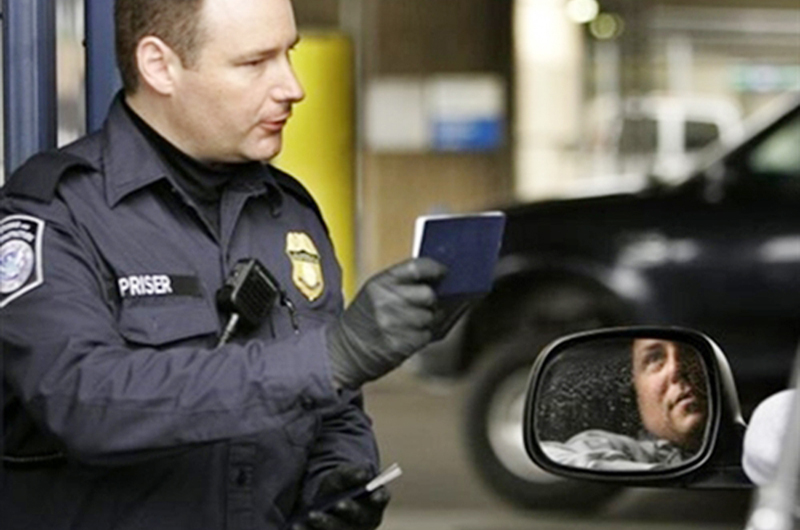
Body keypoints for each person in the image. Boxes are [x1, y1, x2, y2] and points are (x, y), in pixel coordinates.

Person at [0, 1, 447, 529]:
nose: (292, 86)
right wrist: (329, 358)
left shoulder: (289, 213)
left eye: (290, 54)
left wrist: (336, 479)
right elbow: (85, 399)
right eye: (255, 63)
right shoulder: (55, 211)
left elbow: (337, 408)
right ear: (160, 66)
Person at [541, 338, 709, 471]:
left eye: (690, 353)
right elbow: (553, 455)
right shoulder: (629, 451)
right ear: (637, 392)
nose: (676, 369)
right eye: (654, 358)